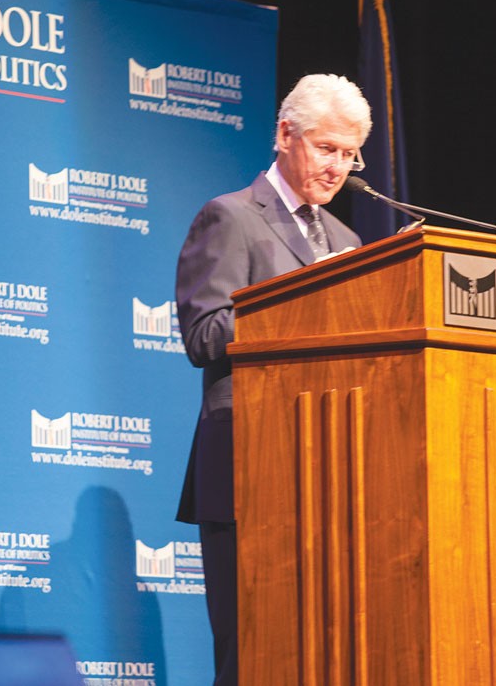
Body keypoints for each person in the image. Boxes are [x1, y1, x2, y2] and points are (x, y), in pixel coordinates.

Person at [175, 73, 373, 686]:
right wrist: (298, 303)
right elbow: (205, 335)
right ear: (286, 134)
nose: (338, 168)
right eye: (327, 148)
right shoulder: (231, 217)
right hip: (250, 468)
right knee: (253, 657)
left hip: (330, 473)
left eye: (349, 154)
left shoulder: (347, 240)